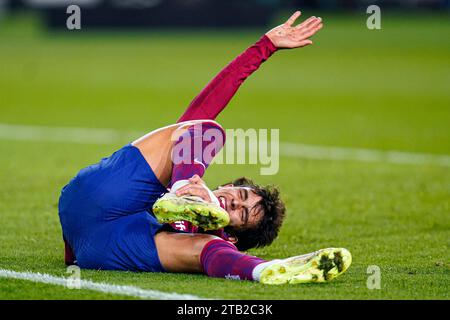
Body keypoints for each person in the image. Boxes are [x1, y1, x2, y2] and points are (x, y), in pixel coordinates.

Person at [58, 11, 352, 285]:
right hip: (98, 201)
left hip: (101, 247)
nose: (236, 203)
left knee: (207, 247)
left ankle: (263, 269)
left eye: (243, 213)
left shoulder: (217, 240)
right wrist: (265, 47)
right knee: (206, 129)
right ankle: (182, 191)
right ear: (224, 186)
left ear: (235, 235)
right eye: (240, 195)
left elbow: (213, 249)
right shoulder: (186, 161)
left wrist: (72, 250)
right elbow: (202, 113)